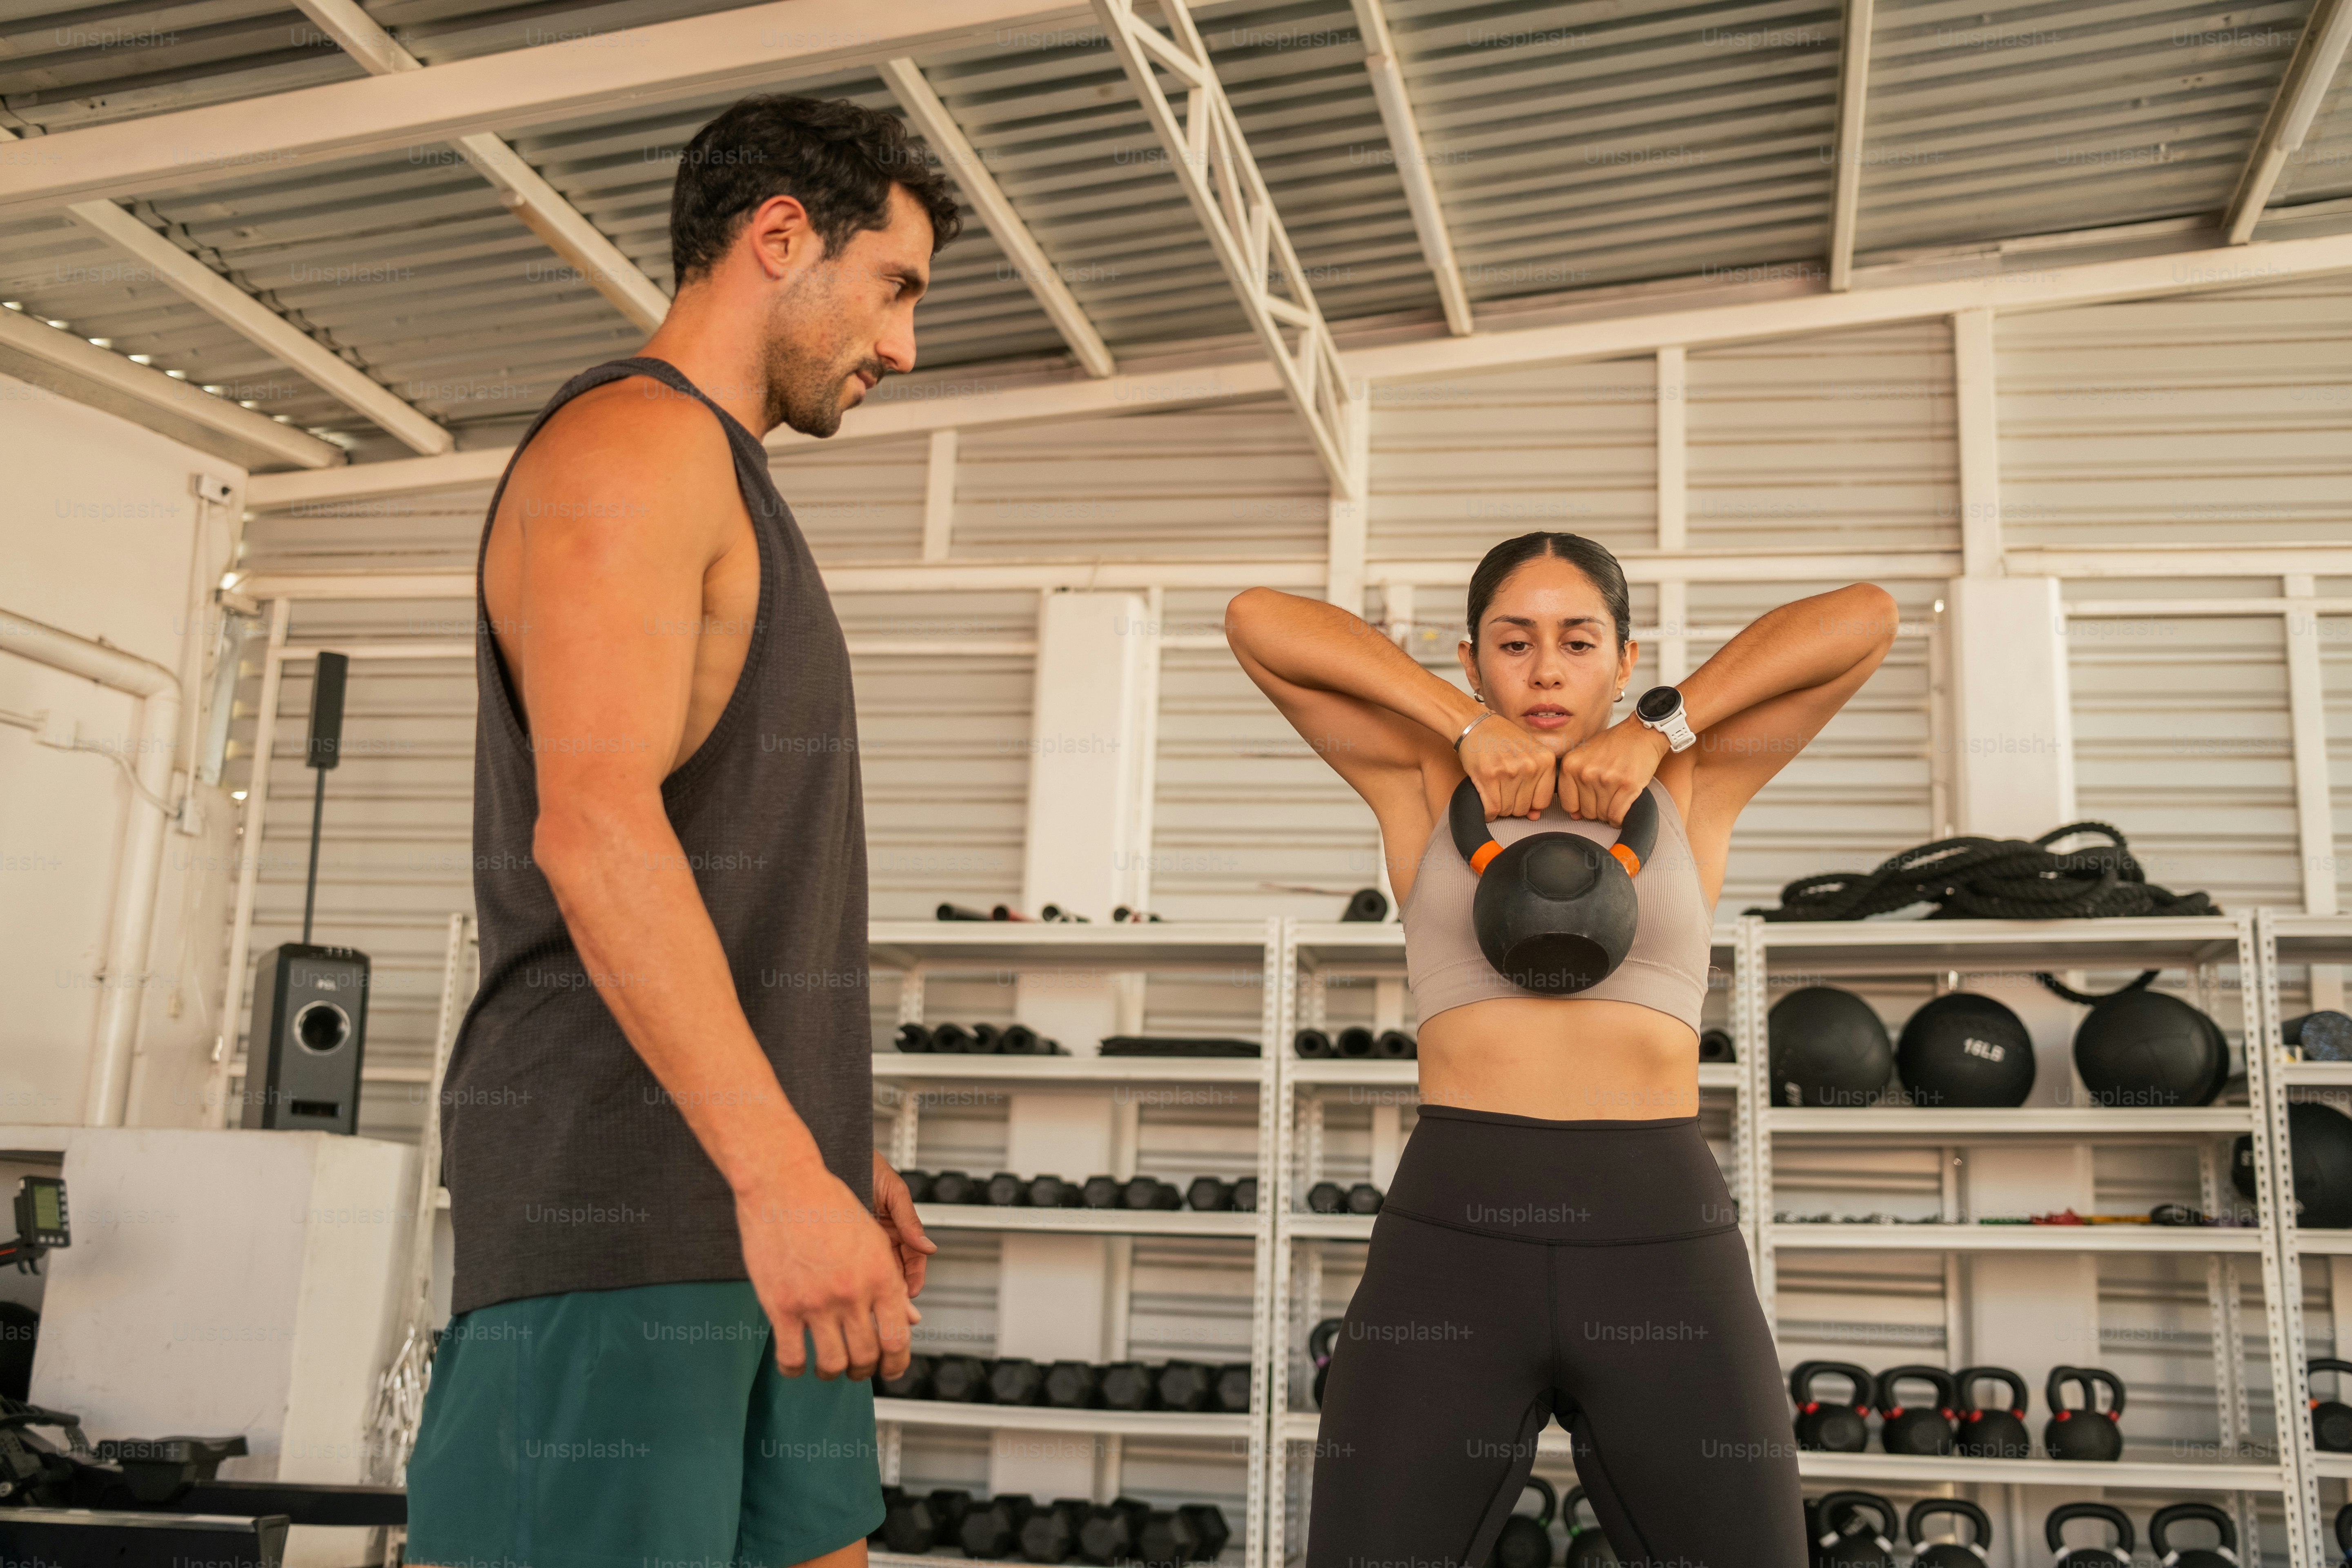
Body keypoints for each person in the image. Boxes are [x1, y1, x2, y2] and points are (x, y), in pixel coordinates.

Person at [404, 95, 962, 1568]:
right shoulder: (632, 448)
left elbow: (732, 866)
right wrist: (783, 1172)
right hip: (622, 1213)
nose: (902, 346)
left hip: (757, 1212)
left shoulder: (724, 476)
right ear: (782, 237)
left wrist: (827, 1141)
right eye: (893, 286)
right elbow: (593, 835)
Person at [1225, 534, 1898, 1568]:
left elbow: (1866, 617)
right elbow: (1257, 621)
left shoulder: (1695, 779)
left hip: (1661, 1242)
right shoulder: (1418, 777)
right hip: (1453, 1244)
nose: (1545, 670)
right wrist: (1461, 727)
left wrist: (1659, 729)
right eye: (1514, 643)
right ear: (1473, 658)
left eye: (1579, 642)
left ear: (1624, 661)